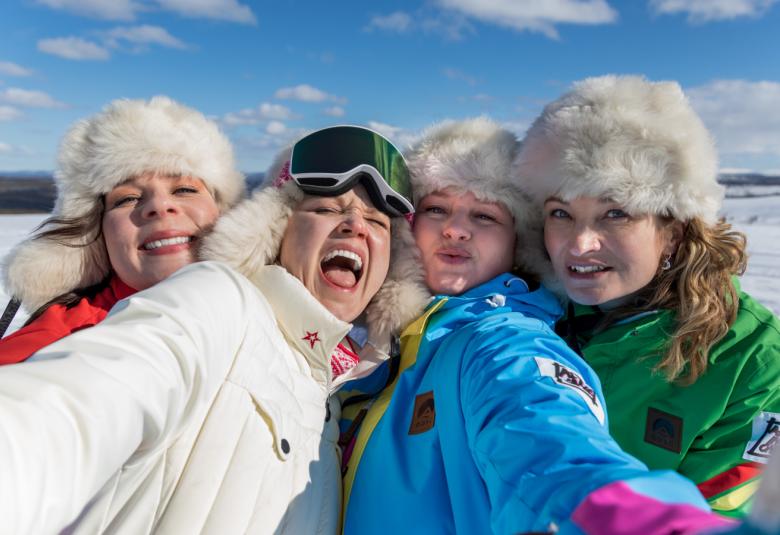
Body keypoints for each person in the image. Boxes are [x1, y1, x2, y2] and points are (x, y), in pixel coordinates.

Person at [0, 125, 429, 534]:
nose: (356, 225)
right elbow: (75, 409)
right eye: (326, 209)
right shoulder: (219, 304)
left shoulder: (338, 394)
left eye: (377, 222)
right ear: (273, 230)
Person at [339, 117, 733, 534]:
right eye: (437, 209)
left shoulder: (500, 342)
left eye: (485, 216)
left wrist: (633, 521)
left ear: (519, 244)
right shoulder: (384, 340)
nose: (455, 230)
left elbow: (550, 447)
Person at [513, 74, 780, 517]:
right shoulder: (524, 308)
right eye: (561, 213)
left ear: (673, 232)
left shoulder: (750, 358)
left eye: (615, 213)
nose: (579, 244)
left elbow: (714, 518)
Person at [0, 96, 246, 363]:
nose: (159, 205)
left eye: (185, 189)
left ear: (226, 212)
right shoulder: (45, 350)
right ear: (96, 235)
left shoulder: (273, 306)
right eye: (127, 198)